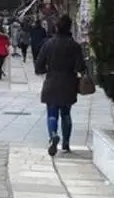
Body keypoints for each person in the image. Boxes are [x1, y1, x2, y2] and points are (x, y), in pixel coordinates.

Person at [35, 15, 86, 156]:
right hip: (69, 83)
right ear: (69, 27)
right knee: (66, 113)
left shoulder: (48, 44)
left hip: (51, 82)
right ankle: (66, 143)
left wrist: (46, 70)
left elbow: (38, 66)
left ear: (56, 27)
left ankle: (53, 135)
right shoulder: (75, 46)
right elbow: (81, 67)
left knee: (52, 113)